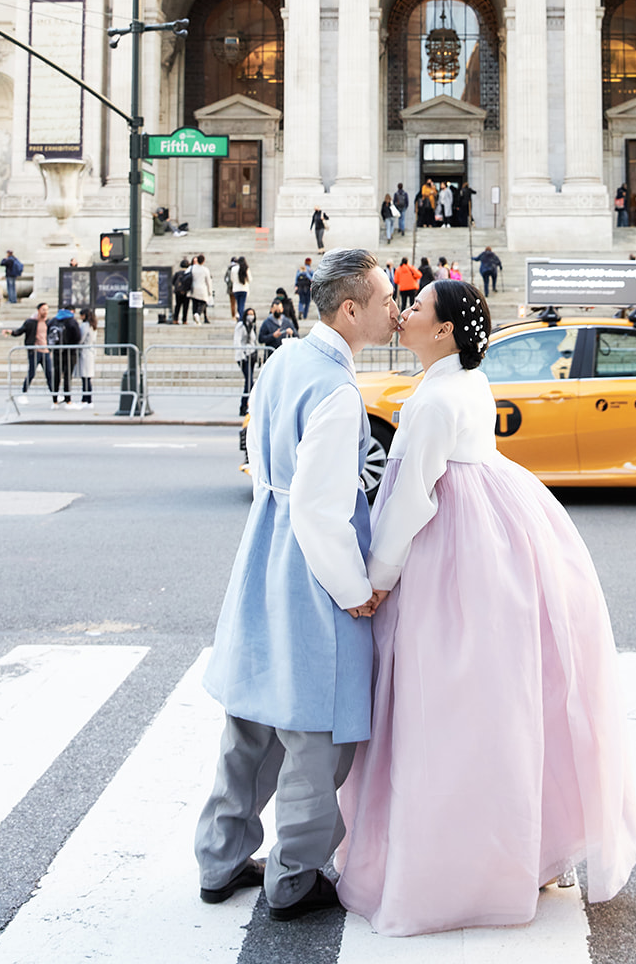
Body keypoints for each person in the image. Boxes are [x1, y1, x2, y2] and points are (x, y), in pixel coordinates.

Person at [335, 280, 636, 936]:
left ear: (442, 330)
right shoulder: (466, 380)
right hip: (499, 536)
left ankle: (445, 862)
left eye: (414, 308)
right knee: (500, 704)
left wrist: (378, 579)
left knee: (436, 708)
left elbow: (413, 496)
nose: (403, 312)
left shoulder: (432, 398)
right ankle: (521, 848)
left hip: (450, 550)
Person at [195, 249, 400, 921]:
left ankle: (219, 857)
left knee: (250, 721)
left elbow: (262, 458)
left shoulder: (283, 359)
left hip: (266, 548)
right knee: (317, 739)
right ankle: (295, 875)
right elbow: (323, 509)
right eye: (384, 299)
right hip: (314, 569)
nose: (392, 309)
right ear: (351, 310)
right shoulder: (338, 391)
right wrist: (353, 589)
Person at [5, 302, 54, 398]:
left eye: (47, 310)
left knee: (49, 373)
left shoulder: (49, 322)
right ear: (39, 310)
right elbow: (20, 331)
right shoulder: (31, 322)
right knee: (31, 373)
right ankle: (24, 393)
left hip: (46, 351)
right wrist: (11, 332)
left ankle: (54, 394)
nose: (46, 312)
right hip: (34, 351)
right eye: (43, 309)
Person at [48, 305, 82, 406]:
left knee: (56, 376)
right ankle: (68, 400)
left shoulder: (54, 320)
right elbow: (77, 336)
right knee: (67, 376)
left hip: (57, 352)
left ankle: (54, 400)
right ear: (72, 311)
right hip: (70, 352)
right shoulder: (71, 321)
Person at [234, 305, 257, 417]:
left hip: (251, 355)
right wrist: (241, 355)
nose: (250, 316)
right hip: (243, 356)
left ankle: (247, 405)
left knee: (249, 381)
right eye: (249, 314)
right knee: (249, 381)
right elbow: (237, 341)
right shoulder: (241, 326)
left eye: (252, 314)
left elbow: (254, 341)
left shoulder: (252, 326)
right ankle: (243, 405)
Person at [77, 308, 97, 406]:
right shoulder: (93, 325)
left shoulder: (85, 325)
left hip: (85, 351)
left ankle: (86, 399)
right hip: (90, 351)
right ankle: (87, 399)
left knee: (85, 378)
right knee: (87, 378)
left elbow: (81, 338)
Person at [191, 254, 214, 325]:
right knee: (203, 302)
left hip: (193, 288)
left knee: (194, 303)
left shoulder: (192, 268)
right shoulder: (205, 270)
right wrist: (210, 291)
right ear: (203, 261)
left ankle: (195, 316)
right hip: (202, 288)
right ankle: (198, 313)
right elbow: (208, 281)